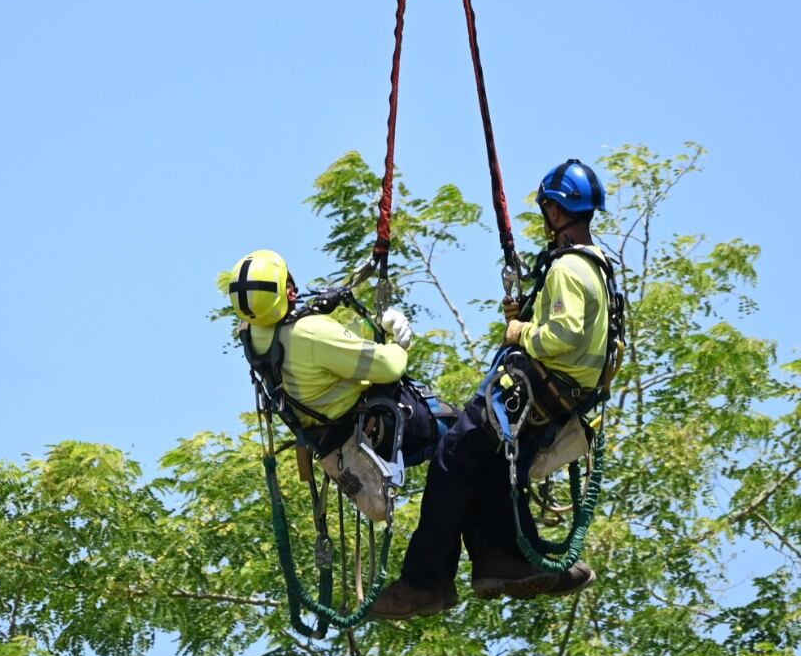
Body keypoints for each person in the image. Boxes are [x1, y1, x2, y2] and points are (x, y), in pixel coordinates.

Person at [369, 159, 615, 619]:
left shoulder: (567, 268)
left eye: (547, 211)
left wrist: (520, 332)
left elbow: (562, 335)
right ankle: (502, 559)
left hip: (533, 389)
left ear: (557, 213)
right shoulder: (598, 267)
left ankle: (424, 581)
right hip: (561, 398)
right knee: (492, 469)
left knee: (450, 460)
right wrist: (528, 315)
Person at [225, 248, 445, 472]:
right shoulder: (309, 333)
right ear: (289, 293)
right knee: (461, 429)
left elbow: (334, 347)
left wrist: (375, 327)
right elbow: (390, 367)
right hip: (387, 430)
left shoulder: (253, 337)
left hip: (340, 444)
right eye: (288, 283)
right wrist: (398, 344)